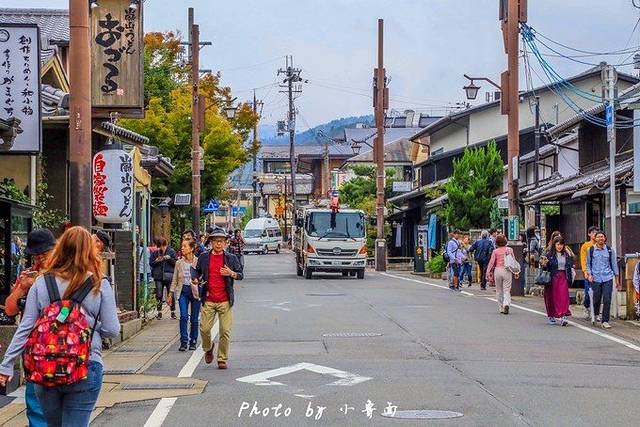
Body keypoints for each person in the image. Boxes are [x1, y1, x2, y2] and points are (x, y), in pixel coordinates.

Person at [0, 226, 120, 427]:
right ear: (90, 251)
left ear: (60, 248)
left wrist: (6, 365)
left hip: (46, 367)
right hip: (86, 364)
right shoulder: (99, 284)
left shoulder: (41, 283)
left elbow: (26, 327)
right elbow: (112, 329)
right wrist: (88, 325)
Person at [3, 229, 56, 427]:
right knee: (36, 405)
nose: (40, 260)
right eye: (36, 256)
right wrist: (22, 288)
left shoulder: (65, 274)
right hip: (34, 348)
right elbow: (10, 309)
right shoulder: (28, 275)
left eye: (44, 255)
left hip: (63, 345)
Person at [194, 228, 243, 369]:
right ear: (211, 242)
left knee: (225, 331)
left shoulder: (231, 258)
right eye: (216, 241)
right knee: (204, 329)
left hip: (225, 300)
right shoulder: (204, 257)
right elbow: (197, 272)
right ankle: (208, 347)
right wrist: (196, 279)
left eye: (221, 241)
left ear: (226, 243)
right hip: (208, 299)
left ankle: (222, 358)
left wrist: (231, 273)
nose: (218, 244)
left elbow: (240, 275)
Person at [168, 239, 201, 351]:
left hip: (195, 291)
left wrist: (198, 281)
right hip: (183, 291)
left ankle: (193, 340)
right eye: (182, 246)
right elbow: (175, 279)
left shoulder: (198, 261)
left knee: (194, 318)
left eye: (185, 246)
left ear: (191, 248)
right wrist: (170, 294)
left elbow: (203, 276)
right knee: (183, 316)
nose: (182, 248)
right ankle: (183, 341)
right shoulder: (179, 263)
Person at [585, 231, 619, 329]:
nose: (600, 238)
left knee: (607, 299)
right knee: (596, 299)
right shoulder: (590, 250)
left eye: (602, 237)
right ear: (595, 238)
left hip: (607, 277)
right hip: (595, 278)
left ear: (605, 238)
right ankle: (596, 314)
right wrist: (589, 274)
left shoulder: (610, 250)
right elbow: (588, 264)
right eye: (598, 237)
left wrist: (617, 279)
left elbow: (614, 265)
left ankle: (605, 321)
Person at [541, 236, 573, 326]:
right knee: (551, 297)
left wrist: (570, 278)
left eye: (561, 244)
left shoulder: (566, 254)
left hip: (563, 277)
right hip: (552, 278)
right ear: (554, 245)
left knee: (563, 296)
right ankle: (551, 315)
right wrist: (544, 264)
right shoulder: (549, 255)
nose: (559, 246)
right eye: (558, 244)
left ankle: (563, 315)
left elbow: (569, 266)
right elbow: (545, 268)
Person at [486, 234, 519, 314]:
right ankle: (506, 304)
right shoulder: (510, 250)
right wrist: (516, 272)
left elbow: (491, 262)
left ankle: (501, 307)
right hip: (507, 270)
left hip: (498, 270)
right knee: (507, 289)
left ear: (496, 242)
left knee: (499, 290)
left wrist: (488, 272)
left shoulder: (495, 251)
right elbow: (513, 261)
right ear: (505, 241)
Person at [150, 237, 177, 320]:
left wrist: (169, 258)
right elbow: (151, 263)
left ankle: (173, 312)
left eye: (163, 246)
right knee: (159, 294)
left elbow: (176, 263)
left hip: (169, 275)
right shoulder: (155, 253)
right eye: (160, 246)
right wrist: (156, 261)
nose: (162, 248)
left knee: (170, 294)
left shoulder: (171, 251)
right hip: (158, 276)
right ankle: (159, 312)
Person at [579, 226, 599, 319]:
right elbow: (583, 259)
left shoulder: (600, 245)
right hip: (588, 272)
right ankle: (586, 306)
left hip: (598, 272)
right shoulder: (585, 245)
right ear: (589, 234)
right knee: (588, 293)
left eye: (596, 232)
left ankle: (595, 312)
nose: (595, 234)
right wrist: (585, 271)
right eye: (593, 232)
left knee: (597, 293)